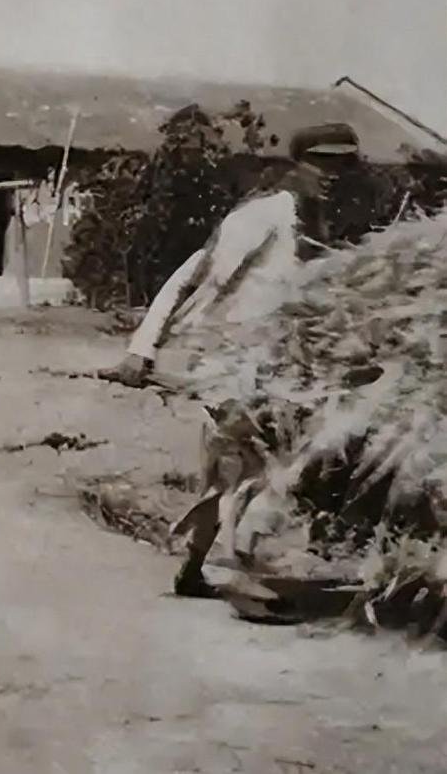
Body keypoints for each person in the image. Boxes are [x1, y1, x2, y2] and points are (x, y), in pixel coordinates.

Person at [98, 122, 363, 597]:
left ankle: (196, 569)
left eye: (342, 165)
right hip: (231, 363)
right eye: (322, 163)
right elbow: (191, 278)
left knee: (239, 472)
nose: (333, 174)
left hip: (277, 366)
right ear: (297, 164)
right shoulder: (262, 215)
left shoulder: (317, 223)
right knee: (259, 469)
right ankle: (250, 579)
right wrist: (141, 350)